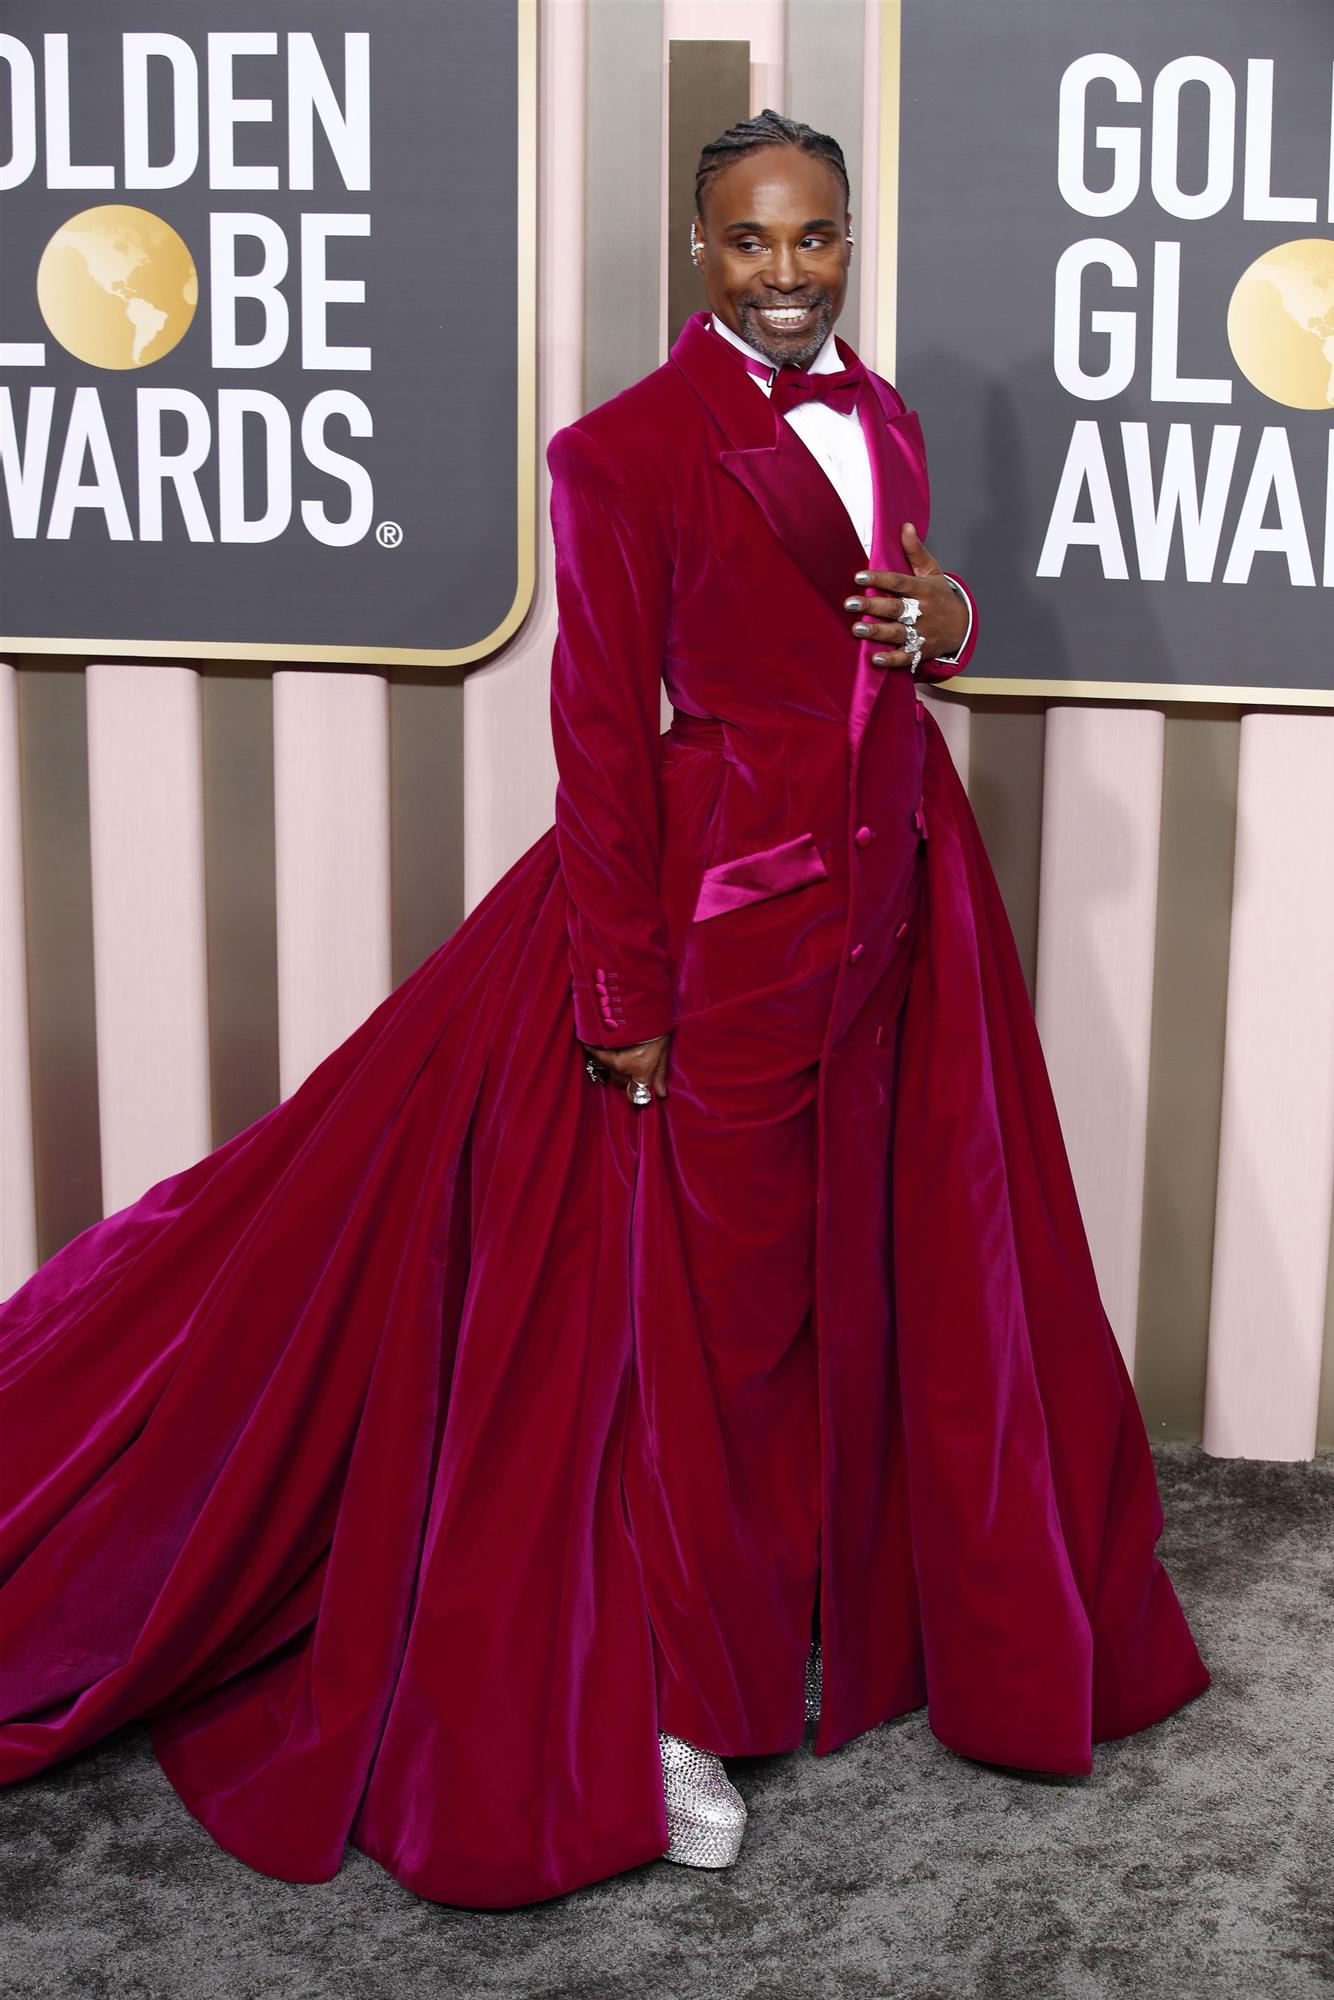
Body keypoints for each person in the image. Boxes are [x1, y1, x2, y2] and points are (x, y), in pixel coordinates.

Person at [0, 111, 1210, 1910]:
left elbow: (880, 637)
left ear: (849, 238)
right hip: (717, 926)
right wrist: (619, 987)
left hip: (898, 912)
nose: (785, 275)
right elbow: (597, 733)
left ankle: (812, 1608)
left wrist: (945, 620)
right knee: (688, 1337)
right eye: (748, 244)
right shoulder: (620, 452)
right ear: (694, 249)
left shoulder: (877, 412)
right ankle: (659, 1704)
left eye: (815, 239)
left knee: (840, 1287)